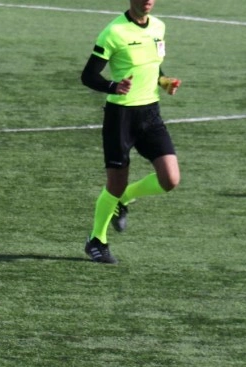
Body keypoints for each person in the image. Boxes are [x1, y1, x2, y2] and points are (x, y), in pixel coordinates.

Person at [80, 0, 181, 264]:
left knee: (170, 179)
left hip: (151, 114)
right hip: (121, 117)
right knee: (115, 183)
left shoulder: (159, 27)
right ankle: (96, 240)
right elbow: (88, 76)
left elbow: (154, 66)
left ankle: (125, 199)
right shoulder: (114, 32)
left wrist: (164, 82)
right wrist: (113, 87)